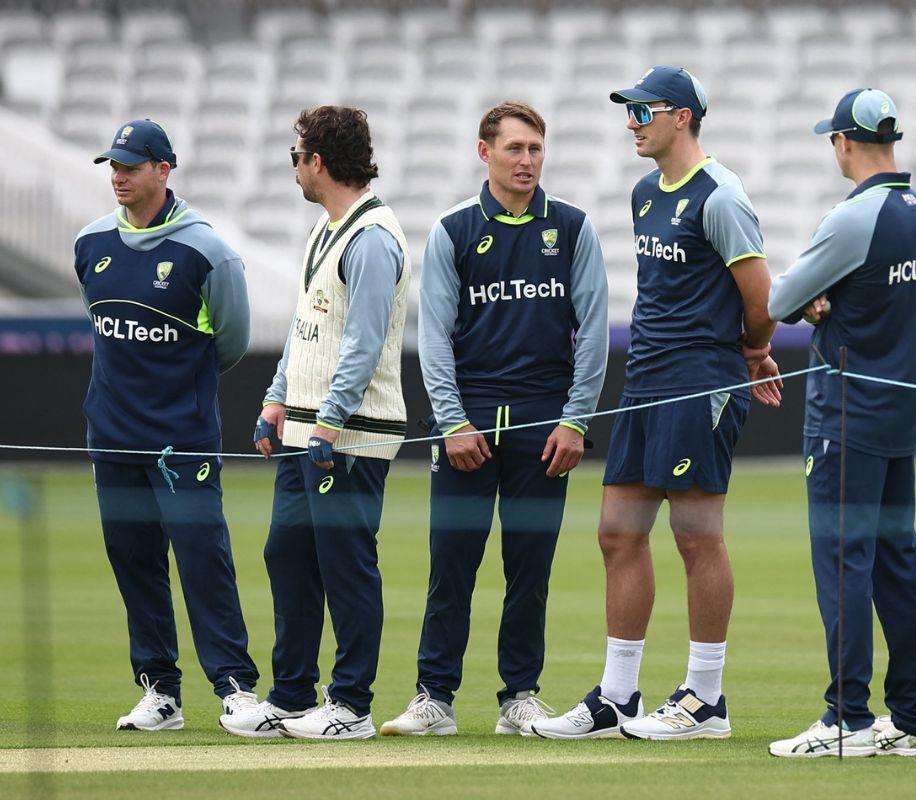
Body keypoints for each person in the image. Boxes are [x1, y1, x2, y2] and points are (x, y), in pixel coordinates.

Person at [534, 66, 781, 741]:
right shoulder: (645, 193)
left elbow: (761, 302)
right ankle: (618, 698)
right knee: (618, 532)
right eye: (629, 111)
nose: (632, 122)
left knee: (697, 536)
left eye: (643, 110)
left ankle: (706, 699)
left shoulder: (720, 196)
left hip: (699, 382)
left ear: (682, 116)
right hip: (645, 380)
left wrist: (753, 352)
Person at [378, 101, 608, 738]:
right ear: (485, 153)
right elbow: (434, 336)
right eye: (514, 148)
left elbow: (593, 330)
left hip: (545, 422)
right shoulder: (453, 230)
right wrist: (452, 422)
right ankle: (434, 698)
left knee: (530, 570)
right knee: (450, 566)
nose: (527, 160)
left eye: (535, 149)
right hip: (469, 420)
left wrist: (576, 421)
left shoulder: (573, 227)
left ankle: (520, 697)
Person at [221, 106, 410, 740]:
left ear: (318, 162)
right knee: (289, 556)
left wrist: (329, 420)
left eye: (297, 156)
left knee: (345, 566)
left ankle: (351, 705)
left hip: (347, 434)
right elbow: (309, 328)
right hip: (305, 429)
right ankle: (293, 697)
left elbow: (363, 344)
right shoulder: (325, 230)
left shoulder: (372, 237)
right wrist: (276, 397)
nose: (294, 168)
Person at [763, 89, 916, 759]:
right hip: (895, 416)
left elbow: (780, 299)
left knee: (844, 566)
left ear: (843, 142)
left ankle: (848, 719)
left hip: (845, 417)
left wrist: (812, 301)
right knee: (898, 565)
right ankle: (912, 721)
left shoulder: (853, 215)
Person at [74, 118, 259, 731]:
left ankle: (235, 687)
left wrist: (181, 386)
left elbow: (231, 341)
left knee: (203, 560)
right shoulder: (91, 243)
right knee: (134, 561)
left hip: (182, 438)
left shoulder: (206, 251)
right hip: (112, 436)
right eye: (114, 165)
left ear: (163, 169)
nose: (118, 176)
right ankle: (161, 693)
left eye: (130, 165)